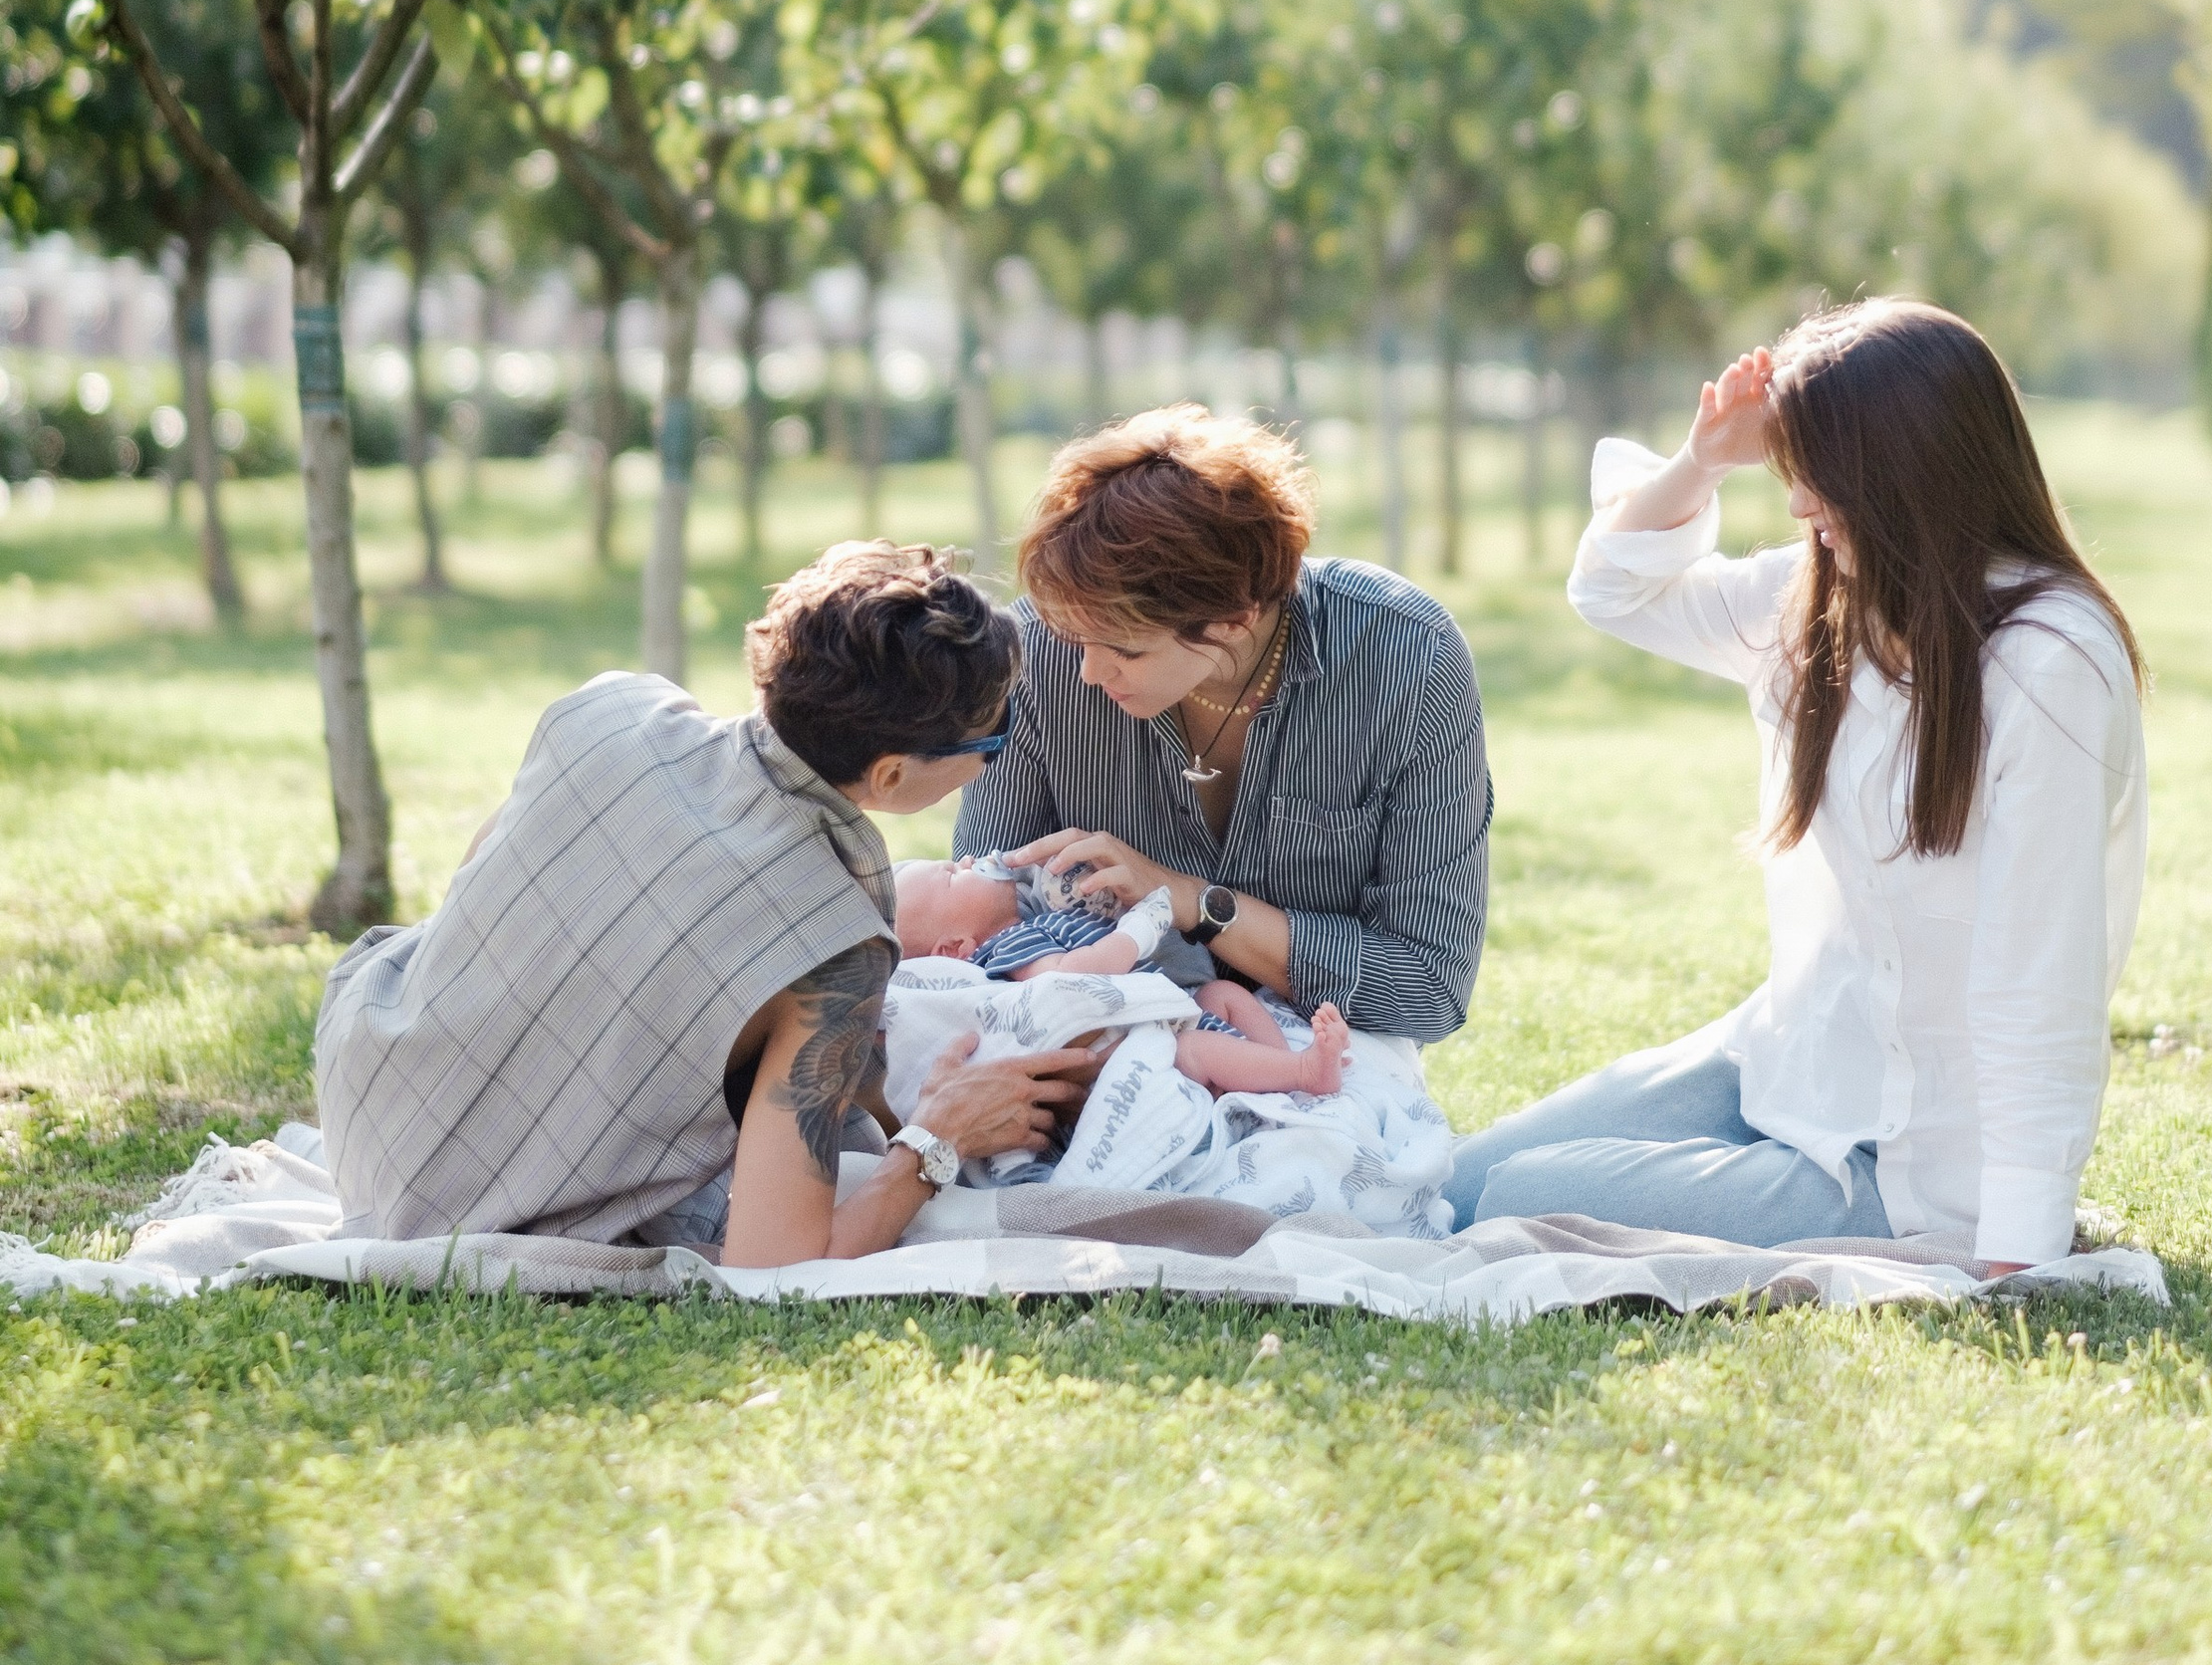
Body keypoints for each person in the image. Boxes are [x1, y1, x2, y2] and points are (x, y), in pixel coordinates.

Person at [1448, 301, 2147, 1274]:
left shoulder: (2050, 660)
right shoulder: (1823, 598)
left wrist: (2017, 1247)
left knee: (1517, 1199)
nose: (1795, 504)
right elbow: (1609, 589)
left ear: (1909, 468)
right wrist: (1703, 459)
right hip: (1788, 1056)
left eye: (1817, 471)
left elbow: (2040, 976)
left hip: (1900, 1160)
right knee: (1457, 1180)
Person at [315, 541, 1105, 1269]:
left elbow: (476, 904)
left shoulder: (610, 711)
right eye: (991, 743)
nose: (994, 755)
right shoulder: (834, 945)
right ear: (892, 775)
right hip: (473, 1212)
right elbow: (774, 1264)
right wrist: (937, 1141)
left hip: (367, 1096)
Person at [958, 404, 1492, 1046]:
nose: (1086, 674)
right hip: (1096, 1038)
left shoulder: (1406, 660)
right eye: (1076, 639)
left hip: (1329, 1058)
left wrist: (1192, 901)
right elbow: (982, 925)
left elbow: (1427, 987)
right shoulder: (1040, 656)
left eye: (1125, 649)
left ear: (1235, 620)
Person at [892, 856, 1355, 1094]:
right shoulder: (1006, 948)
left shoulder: (1036, 921)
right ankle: (1302, 1072)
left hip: (1173, 1014)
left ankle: (1276, 1072)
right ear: (956, 948)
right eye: (954, 875)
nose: (970, 861)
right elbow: (1072, 975)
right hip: (1148, 1045)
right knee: (1199, 1048)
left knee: (1223, 992)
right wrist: (1137, 933)